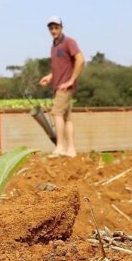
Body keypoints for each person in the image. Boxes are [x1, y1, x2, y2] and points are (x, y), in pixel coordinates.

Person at [39, 16, 84, 157]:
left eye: (56, 27)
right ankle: (71, 150)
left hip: (65, 87)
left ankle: (60, 147)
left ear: (61, 27)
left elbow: (80, 59)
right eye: (51, 28)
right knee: (67, 118)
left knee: (56, 113)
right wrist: (50, 76)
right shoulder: (54, 45)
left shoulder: (69, 42)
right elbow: (60, 66)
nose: (53, 30)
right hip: (59, 84)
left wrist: (71, 80)